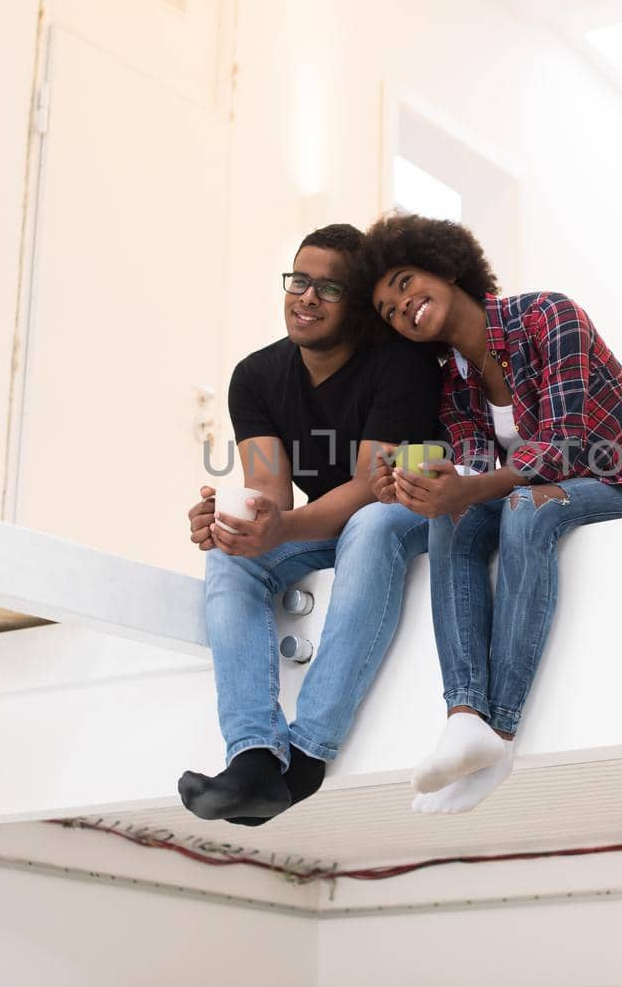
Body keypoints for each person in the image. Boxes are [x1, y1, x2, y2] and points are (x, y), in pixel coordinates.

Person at [354, 213, 622, 814]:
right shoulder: (454, 385)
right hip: (549, 491)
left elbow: (564, 445)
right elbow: (471, 472)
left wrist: (468, 486)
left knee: (524, 503)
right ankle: (463, 716)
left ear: (445, 264)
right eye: (387, 310)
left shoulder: (547, 316)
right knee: (454, 519)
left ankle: (502, 733)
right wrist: (416, 487)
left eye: (406, 283)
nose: (402, 306)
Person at [179, 224, 441, 826]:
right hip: (333, 527)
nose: (307, 298)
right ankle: (251, 756)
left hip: (415, 507)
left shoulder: (400, 365)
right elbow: (270, 494)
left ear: (358, 305)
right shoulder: (255, 376)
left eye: (330, 288)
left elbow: (372, 482)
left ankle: (307, 754)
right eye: (299, 280)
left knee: (374, 522)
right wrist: (237, 526)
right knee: (229, 554)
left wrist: (283, 528)